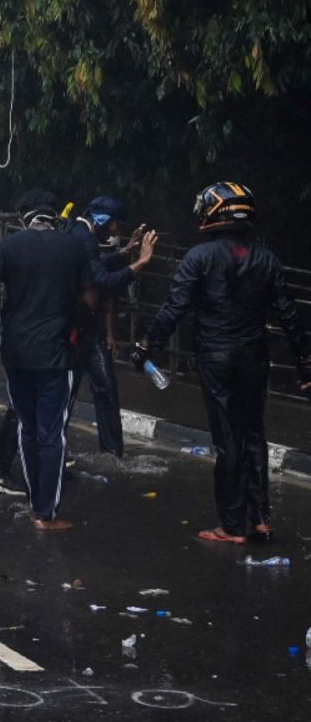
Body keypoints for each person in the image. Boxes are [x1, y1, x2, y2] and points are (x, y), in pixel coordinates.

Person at [132, 182, 311, 544]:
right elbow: (290, 314)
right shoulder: (266, 258)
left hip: (216, 358)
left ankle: (231, 525)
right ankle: (260, 518)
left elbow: (175, 307)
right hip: (255, 358)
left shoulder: (199, 257)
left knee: (228, 441)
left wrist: (147, 345)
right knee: (254, 435)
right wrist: (305, 361)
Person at [0, 189, 93, 532]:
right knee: (52, 433)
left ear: (23, 215)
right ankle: (46, 513)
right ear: (53, 214)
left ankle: (33, 502)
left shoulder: (9, 246)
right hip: (57, 352)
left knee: (27, 427)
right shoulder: (73, 247)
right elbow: (91, 295)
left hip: (17, 352)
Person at [66, 196, 158, 457]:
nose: (115, 231)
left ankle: (112, 452)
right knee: (71, 392)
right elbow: (102, 280)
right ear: (103, 220)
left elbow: (94, 268)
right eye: (115, 224)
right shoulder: (82, 238)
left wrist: (125, 251)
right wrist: (140, 262)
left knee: (105, 388)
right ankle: (58, 453)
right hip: (74, 329)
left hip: (87, 329)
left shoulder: (81, 233)